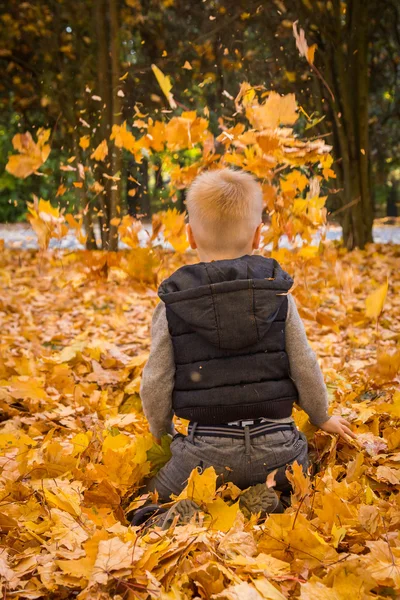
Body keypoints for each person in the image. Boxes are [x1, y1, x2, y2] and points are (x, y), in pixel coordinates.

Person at [133, 168, 355, 525]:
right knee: (303, 486)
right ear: (257, 236)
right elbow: (305, 366)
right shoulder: (278, 298)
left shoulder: (173, 306)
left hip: (205, 453)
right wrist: (321, 416)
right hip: (279, 446)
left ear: (189, 235)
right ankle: (276, 501)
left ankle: (182, 516)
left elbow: (155, 381)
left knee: (142, 503)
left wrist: (163, 436)